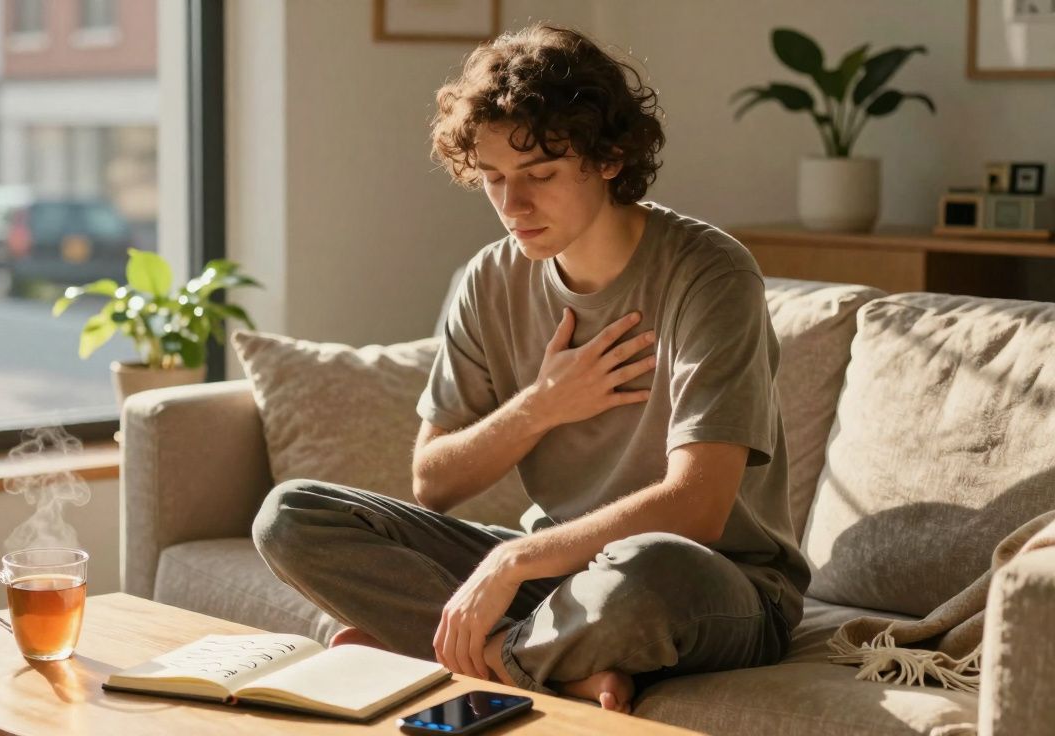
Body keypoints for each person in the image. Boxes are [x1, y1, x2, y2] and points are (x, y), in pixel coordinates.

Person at [252, 23, 809, 713]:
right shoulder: (491, 279)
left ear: (609, 158)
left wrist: (513, 560)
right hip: (557, 576)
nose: (513, 207)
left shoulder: (710, 274)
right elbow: (433, 482)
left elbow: (697, 507)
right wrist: (542, 405)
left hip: (713, 582)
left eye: (540, 175)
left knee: (647, 568)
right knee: (291, 516)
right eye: (494, 179)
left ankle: (471, 656)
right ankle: (551, 661)